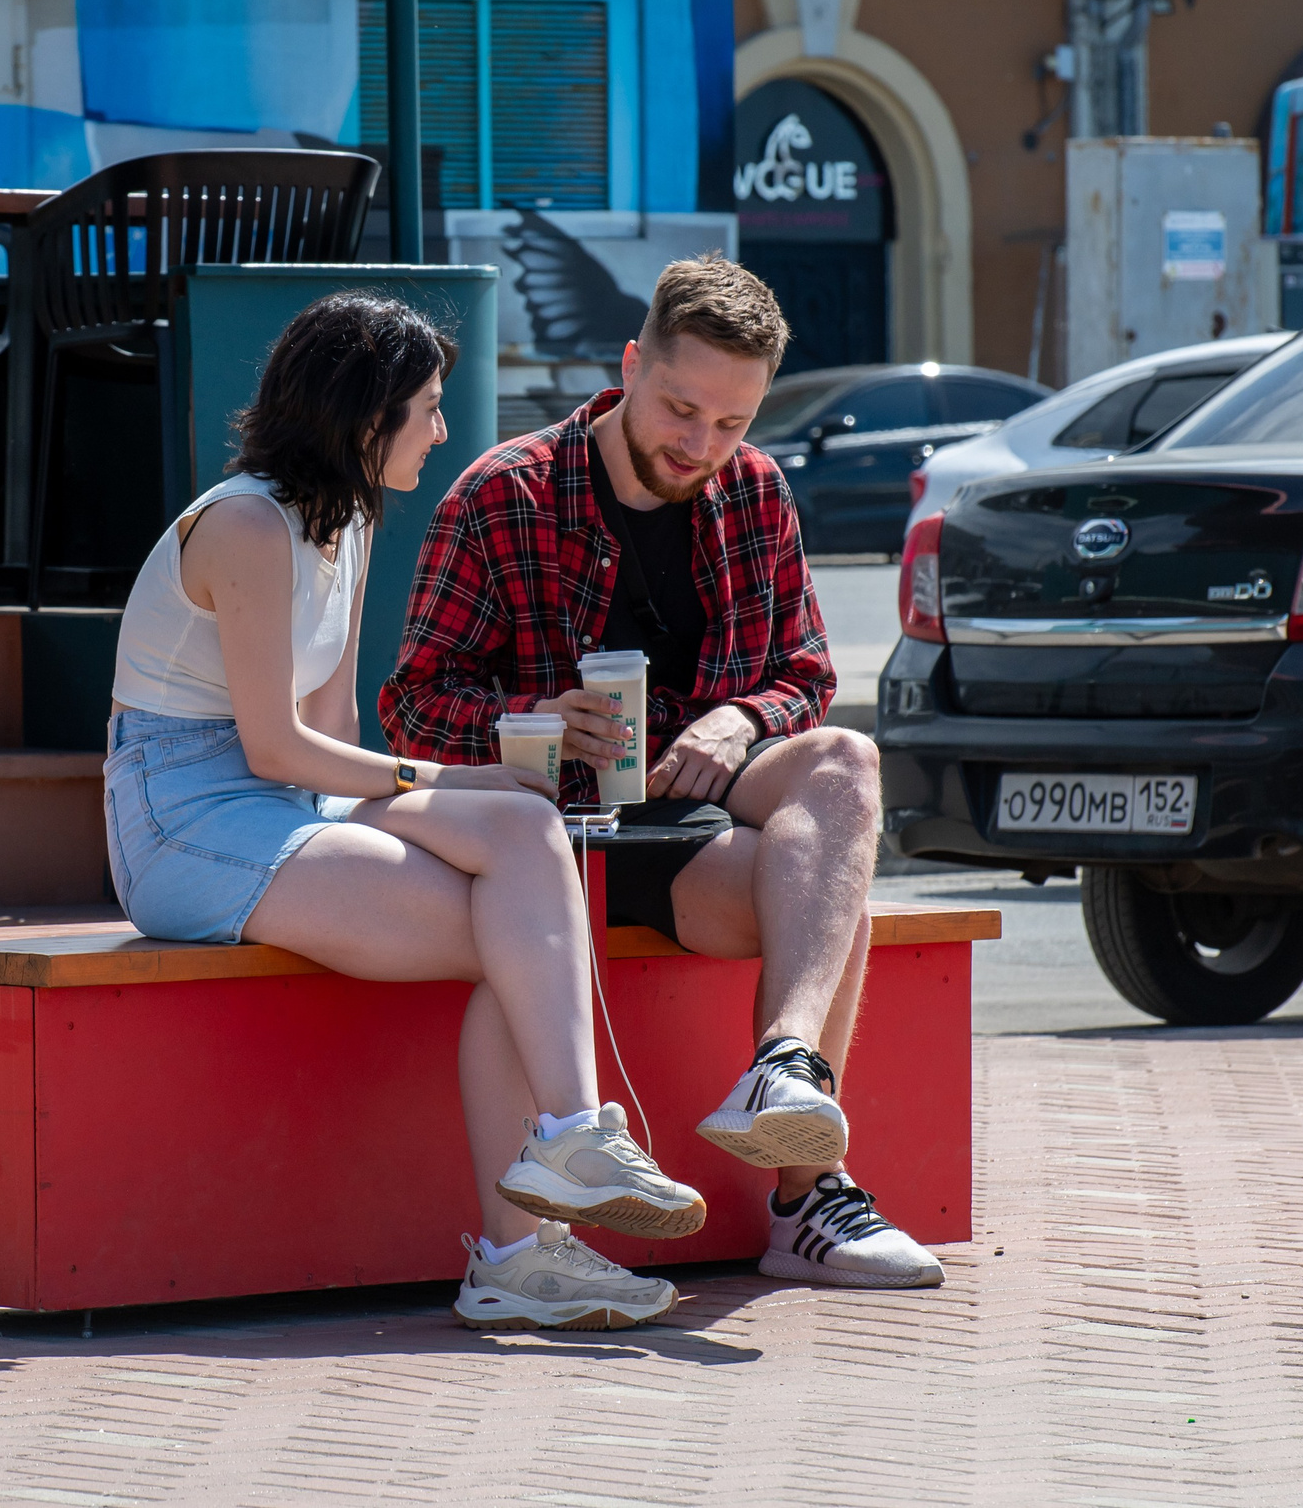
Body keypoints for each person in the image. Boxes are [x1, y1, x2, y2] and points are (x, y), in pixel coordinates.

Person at [105, 291, 706, 1331]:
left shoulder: (343, 522)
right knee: (509, 930)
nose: (441, 430)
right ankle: (521, 1245)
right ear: (363, 410)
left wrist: (475, 789)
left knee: (524, 833)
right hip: (180, 812)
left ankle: (570, 1138)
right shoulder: (246, 522)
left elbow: (330, 732)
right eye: (426, 406)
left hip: (285, 796)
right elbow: (271, 743)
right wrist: (441, 780)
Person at [380, 257, 944, 1290]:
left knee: (845, 762)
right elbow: (411, 700)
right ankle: (808, 1200)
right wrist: (533, 720)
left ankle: (783, 1069)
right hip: (561, 840)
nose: (701, 445)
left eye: (731, 423)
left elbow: (807, 672)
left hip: (698, 817)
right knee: (835, 900)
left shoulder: (756, 489)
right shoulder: (505, 490)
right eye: (681, 409)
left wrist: (739, 718)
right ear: (630, 364)